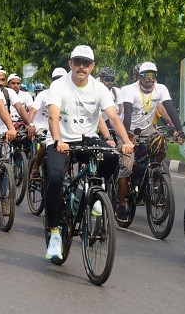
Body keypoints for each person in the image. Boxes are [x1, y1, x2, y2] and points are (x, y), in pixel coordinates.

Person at [44, 45, 134, 261]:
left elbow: (113, 117)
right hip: (61, 141)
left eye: (86, 63)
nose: (81, 67)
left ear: (93, 67)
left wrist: (126, 141)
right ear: (70, 64)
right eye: (77, 62)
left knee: (112, 155)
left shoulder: (99, 89)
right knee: (55, 179)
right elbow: (53, 116)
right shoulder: (58, 86)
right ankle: (55, 233)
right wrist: (57, 140)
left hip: (87, 139)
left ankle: (95, 195)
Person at [114, 61, 185, 221]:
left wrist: (179, 130)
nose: (150, 79)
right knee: (126, 165)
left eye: (153, 75)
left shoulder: (161, 88)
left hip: (147, 128)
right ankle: (120, 205)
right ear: (139, 76)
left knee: (161, 141)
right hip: (127, 127)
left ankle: (154, 175)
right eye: (146, 75)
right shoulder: (129, 90)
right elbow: (127, 114)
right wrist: (127, 138)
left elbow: (170, 108)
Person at [27, 67, 66, 179]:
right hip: (41, 126)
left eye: (62, 79)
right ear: (52, 81)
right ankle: (35, 166)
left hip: (60, 126)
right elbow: (32, 111)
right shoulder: (43, 94)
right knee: (45, 143)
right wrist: (31, 125)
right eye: (56, 79)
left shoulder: (69, 94)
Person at [0, 65, 34, 135]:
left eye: (3, 80)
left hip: (6, 131)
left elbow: (20, 108)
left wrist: (30, 125)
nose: (0, 83)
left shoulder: (9, 92)